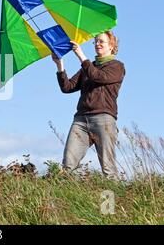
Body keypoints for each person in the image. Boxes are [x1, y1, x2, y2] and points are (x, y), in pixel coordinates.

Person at [52, 31, 125, 179]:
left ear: (111, 46)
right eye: (95, 41)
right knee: (68, 165)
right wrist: (60, 65)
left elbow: (98, 77)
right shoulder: (88, 66)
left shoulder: (116, 67)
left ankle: (115, 198)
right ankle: (82, 190)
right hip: (81, 120)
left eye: (101, 42)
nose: (97, 44)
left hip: (103, 119)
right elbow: (67, 87)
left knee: (108, 167)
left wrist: (80, 55)